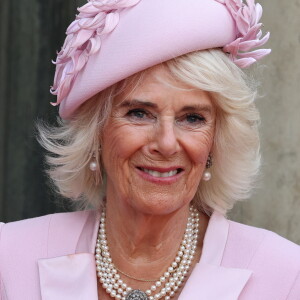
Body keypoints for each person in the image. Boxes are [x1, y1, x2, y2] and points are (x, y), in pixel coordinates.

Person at [0, 0, 299, 299]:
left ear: (215, 142)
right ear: (96, 133)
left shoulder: (286, 276)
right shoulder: (9, 259)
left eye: (192, 118)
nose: (167, 143)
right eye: (139, 113)